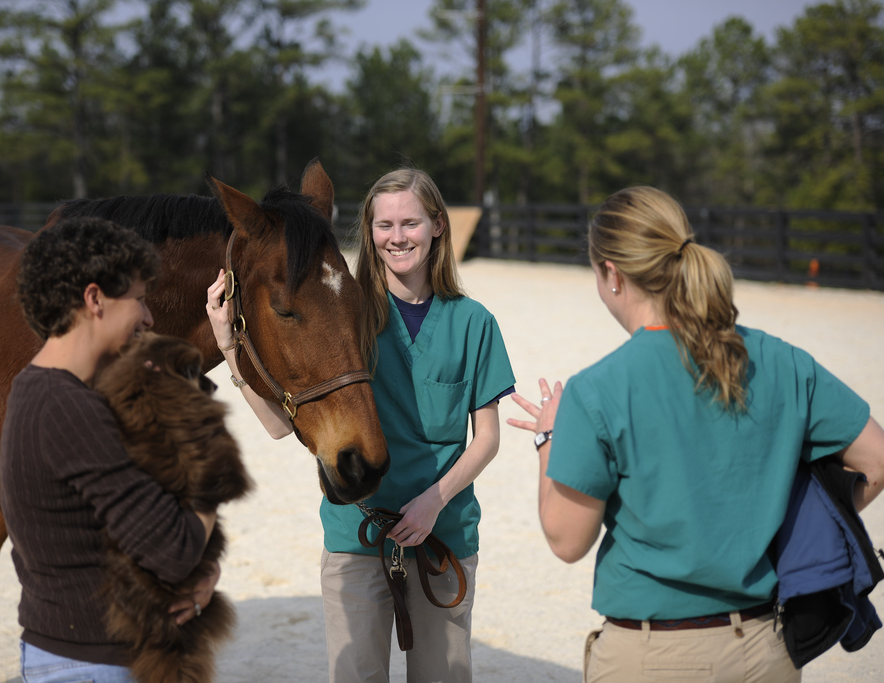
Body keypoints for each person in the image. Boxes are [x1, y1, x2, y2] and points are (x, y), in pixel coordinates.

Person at [507, 186, 884, 682]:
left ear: (612, 275)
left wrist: (548, 438)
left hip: (649, 655)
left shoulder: (596, 389)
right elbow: (875, 461)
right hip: (762, 650)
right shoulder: (782, 361)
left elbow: (567, 539)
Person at [206, 168, 515, 683]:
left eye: (410, 223)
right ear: (368, 231)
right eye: (383, 224)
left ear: (438, 226)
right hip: (357, 536)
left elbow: (488, 438)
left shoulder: (474, 322)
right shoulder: (345, 311)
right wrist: (228, 347)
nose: (397, 237)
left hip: (444, 535)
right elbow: (283, 427)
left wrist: (432, 502)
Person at [0, 217, 221, 682]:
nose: (149, 317)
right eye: (139, 299)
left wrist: (202, 582)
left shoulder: (37, 390)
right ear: (95, 299)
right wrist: (205, 456)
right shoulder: (68, 409)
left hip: (73, 654)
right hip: (93, 664)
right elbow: (176, 550)